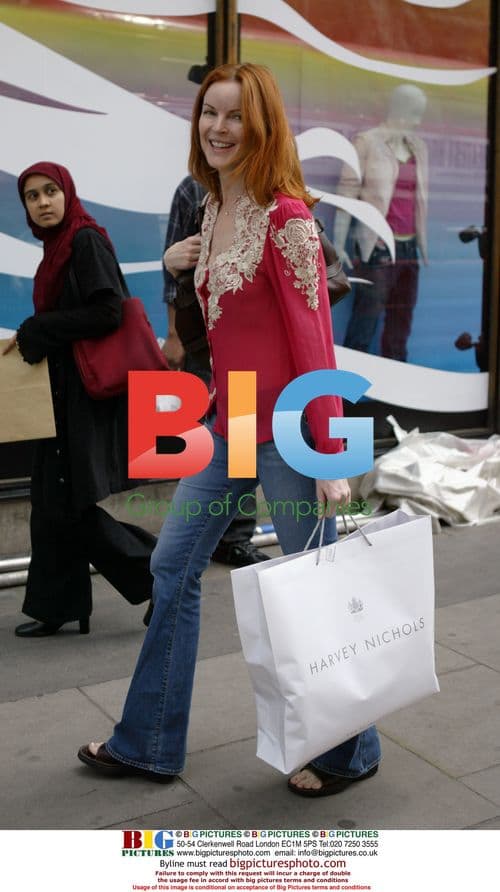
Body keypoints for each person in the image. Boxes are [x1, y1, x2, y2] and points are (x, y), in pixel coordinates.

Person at [78, 63, 381, 796]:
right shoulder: (213, 211)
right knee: (171, 568)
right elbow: (222, 329)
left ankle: (351, 750)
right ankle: (149, 741)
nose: (216, 128)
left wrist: (329, 450)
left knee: (311, 588)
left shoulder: (289, 219)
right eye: (208, 113)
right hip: (230, 420)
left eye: (233, 117)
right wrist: (183, 267)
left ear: (262, 125)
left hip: (289, 431)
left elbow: (313, 341)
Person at [3, 162, 156, 637]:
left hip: (84, 394)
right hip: (61, 393)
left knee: (65, 503)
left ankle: (162, 575)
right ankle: (59, 604)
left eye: (51, 191)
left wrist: (39, 329)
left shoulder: (85, 239)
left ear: (67, 193)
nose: (43, 202)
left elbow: (107, 311)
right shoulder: (55, 248)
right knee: (53, 500)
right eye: (32, 196)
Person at [162, 173, 270, 568]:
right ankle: (198, 534)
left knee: (240, 442)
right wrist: (173, 334)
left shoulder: (265, 191)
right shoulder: (191, 189)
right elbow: (172, 267)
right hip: (199, 338)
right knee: (203, 443)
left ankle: (236, 536)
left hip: (245, 345)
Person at [334, 84, 429, 362]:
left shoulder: (418, 147)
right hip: (377, 248)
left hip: (409, 250)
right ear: (398, 110)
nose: (418, 121)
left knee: (401, 327)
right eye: (414, 113)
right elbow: (347, 195)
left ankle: (397, 397)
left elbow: (420, 200)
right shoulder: (366, 143)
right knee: (364, 324)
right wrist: (339, 245)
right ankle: (346, 401)